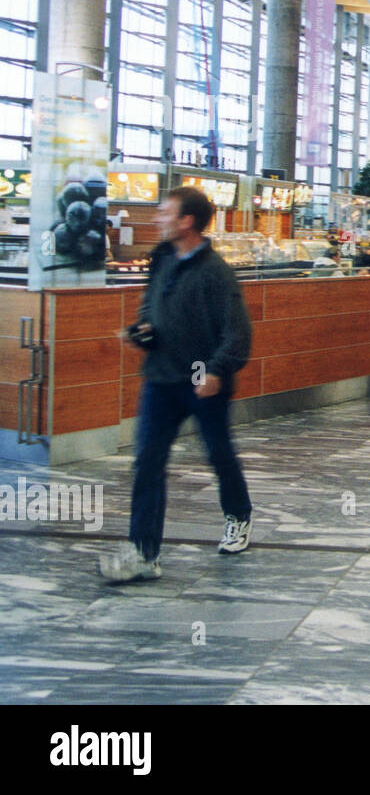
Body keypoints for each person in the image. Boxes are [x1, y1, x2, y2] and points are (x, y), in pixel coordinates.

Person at [99, 186, 253, 584]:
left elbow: (238, 333)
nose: (156, 218)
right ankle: (144, 553)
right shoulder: (162, 258)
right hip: (161, 375)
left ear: (187, 221)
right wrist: (143, 328)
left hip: (202, 375)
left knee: (218, 453)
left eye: (164, 212)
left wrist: (215, 372)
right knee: (148, 460)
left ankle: (238, 515)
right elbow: (151, 303)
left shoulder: (216, 272)